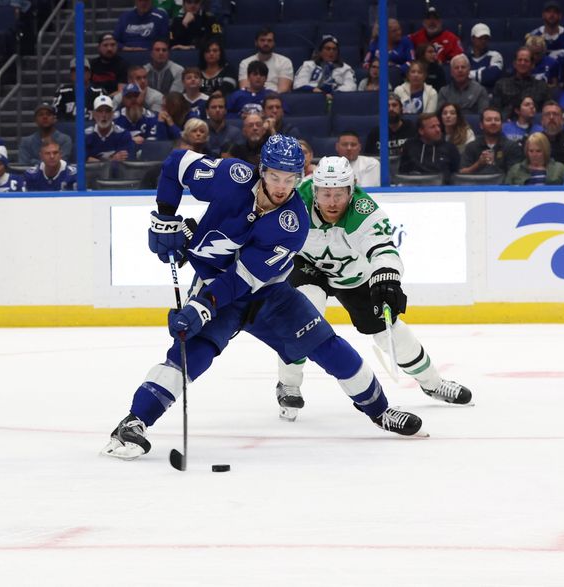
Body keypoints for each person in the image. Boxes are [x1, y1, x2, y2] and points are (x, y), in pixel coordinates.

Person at [101, 136, 425, 460]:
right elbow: (175, 165)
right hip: (215, 285)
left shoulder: (293, 223)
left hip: (269, 295)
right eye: (274, 177)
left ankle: (380, 411)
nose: (282, 187)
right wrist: (165, 216)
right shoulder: (230, 176)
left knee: (329, 346)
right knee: (191, 353)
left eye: (290, 179)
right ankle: (133, 423)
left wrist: (201, 306)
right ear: (261, 170)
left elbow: (242, 278)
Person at [274, 155, 472, 420]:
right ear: (315, 189)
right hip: (307, 265)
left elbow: (384, 251)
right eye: (325, 194)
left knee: (390, 332)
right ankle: (288, 384)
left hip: (353, 276)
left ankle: (433, 383)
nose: (332, 203)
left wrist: (387, 278)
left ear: (352, 190)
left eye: (339, 195)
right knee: (304, 316)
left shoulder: (365, 211)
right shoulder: (296, 199)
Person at [460, 106, 523, 178]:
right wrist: (478, 164)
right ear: (481, 125)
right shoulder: (472, 146)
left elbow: (515, 175)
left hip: (503, 187)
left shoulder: (512, 146)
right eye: (488, 120)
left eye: (497, 120)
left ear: (502, 124)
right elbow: (462, 173)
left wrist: (494, 165)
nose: (493, 122)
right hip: (476, 186)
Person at [398, 112, 461, 182]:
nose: (438, 130)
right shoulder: (410, 146)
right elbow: (402, 174)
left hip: (442, 190)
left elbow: (456, 177)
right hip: (415, 188)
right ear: (421, 131)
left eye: (438, 126)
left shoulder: (450, 148)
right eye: (433, 127)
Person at [492, 47, 550, 120]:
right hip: (506, 125)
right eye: (519, 60)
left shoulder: (542, 87)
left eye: (526, 61)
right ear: (514, 64)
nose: (522, 63)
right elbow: (494, 111)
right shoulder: (501, 85)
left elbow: (547, 111)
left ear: (532, 65)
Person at [238, 26, 293, 93]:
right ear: (256, 42)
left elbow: (283, 90)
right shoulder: (245, 63)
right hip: (252, 99)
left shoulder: (284, 62)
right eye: (262, 40)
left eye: (269, 40)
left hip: (275, 99)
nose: (266, 43)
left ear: (274, 43)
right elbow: (244, 89)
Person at [436, 54, 489, 119]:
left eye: (463, 67)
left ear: (469, 71)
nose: (460, 70)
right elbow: (440, 116)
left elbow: (484, 116)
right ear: (451, 72)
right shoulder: (444, 92)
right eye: (456, 68)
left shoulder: (480, 90)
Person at [53, 58, 106, 122]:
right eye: (75, 70)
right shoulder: (62, 91)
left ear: (89, 74)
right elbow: (55, 114)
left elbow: (105, 115)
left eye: (83, 70)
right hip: (67, 130)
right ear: (71, 75)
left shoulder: (99, 92)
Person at [85, 95, 136, 162]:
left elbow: (126, 163)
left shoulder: (123, 135)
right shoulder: (85, 135)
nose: (104, 115)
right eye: (100, 111)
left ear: (112, 114)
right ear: (94, 115)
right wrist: (111, 160)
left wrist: (92, 160)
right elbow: (80, 160)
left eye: (107, 111)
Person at [365, 93, 417, 157]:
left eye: (394, 105)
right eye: (387, 106)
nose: (391, 109)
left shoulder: (412, 128)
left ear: (401, 109)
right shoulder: (375, 133)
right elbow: (368, 158)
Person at [467, 23, 503, 91]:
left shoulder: (495, 56)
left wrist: (467, 75)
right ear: (473, 39)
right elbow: (457, 78)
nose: (483, 41)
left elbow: (491, 76)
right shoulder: (464, 58)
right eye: (480, 38)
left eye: (486, 38)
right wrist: (483, 72)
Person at [205, 91, 240, 157]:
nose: (217, 110)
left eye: (221, 107)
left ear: (226, 110)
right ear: (207, 111)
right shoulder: (201, 131)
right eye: (214, 107)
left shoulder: (235, 132)